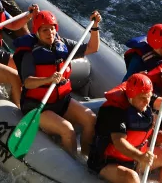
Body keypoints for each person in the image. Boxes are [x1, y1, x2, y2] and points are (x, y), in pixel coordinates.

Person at [11, 9, 102, 157]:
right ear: (37, 32)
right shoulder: (30, 53)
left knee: (90, 119)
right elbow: (27, 83)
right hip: (37, 106)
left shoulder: (63, 44)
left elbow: (93, 47)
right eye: (45, 30)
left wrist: (95, 26)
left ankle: (85, 157)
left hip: (61, 100)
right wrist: (48, 79)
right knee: (68, 129)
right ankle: (73, 165)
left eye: (52, 28)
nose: (50, 33)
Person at [87, 73, 162, 183]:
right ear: (131, 96)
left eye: (148, 97)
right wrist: (141, 157)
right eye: (143, 98)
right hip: (108, 163)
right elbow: (119, 143)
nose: (147, 102)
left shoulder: (145, 99)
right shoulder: (114, 110)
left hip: (135, 159)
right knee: (132, 177)